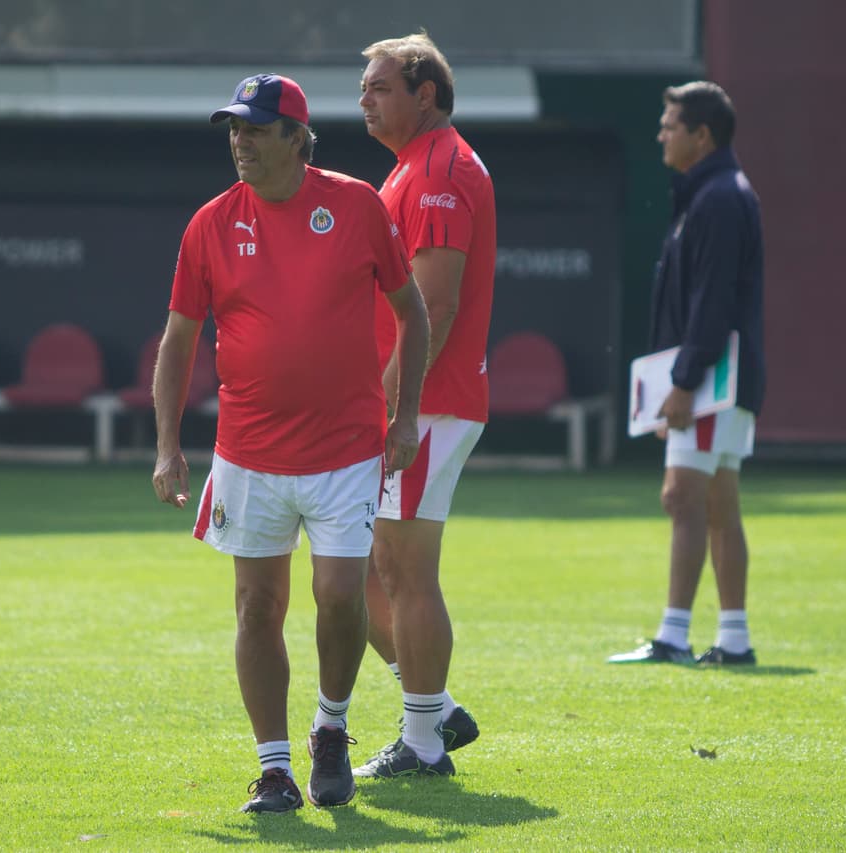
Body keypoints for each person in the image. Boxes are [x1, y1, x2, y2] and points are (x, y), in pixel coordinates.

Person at [151, 73, 430, 813]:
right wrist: (168, 445)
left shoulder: (358, 204)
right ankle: (274, 768)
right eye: (233, 129)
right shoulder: (210, 222)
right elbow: (178, 343)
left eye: (254, 128)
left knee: (340, 597)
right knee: (256, 607)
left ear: (296, 138)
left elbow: (413, 312)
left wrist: (404, 419)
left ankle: (330, 727)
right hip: (247, 452)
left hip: (346, 449)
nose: (239, 141)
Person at [350, 32, 495, 779]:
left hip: (425, 405)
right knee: (372, 570)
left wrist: (391, 411)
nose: (363, 99)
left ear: (424, 93)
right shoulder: (417, 166)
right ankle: (432, 710)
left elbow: (434, 301)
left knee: (404, 571)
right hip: (418, 402)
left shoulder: (438, 167)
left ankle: (423, 740)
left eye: (379, 87)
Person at [608, 81, 766, 667]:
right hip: (716, 378)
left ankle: (674, 636)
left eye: (670, 125)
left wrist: (683, 380)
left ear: (702, 135)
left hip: (711, 383)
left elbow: (713, 301)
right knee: (719, 503)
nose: (661, 134)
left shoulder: (720, 197)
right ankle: (734, 639)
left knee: (682, 497)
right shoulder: (714, 193)